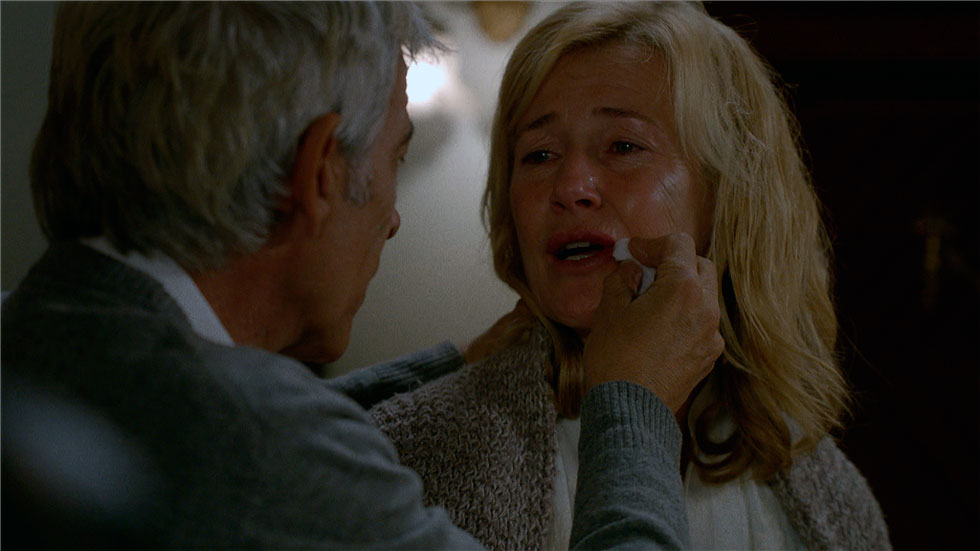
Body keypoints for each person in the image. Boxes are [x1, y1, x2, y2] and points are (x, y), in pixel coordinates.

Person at [1, 2, 722, 548]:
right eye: (394, 160)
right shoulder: (265, 446)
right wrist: (635, 402)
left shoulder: (35, 336)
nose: (392, 219)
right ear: (318, 171)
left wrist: (453, 365)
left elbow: (184, 428)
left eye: (623, 146)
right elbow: (253, 442)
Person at [370, 2, 891, 550]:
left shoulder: (830, 496)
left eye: (623, 146)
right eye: (539, 155)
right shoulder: (409, 458)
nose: (571, 187)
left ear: (730, 194)